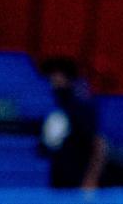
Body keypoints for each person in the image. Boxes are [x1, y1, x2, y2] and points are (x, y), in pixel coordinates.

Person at [39, 56, 111, 190]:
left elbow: (99, 145)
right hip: (60, 183)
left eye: (56, 76)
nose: (52, 82)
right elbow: (46, 147)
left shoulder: (81, 108)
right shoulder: (56, 110)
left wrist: (90, 180)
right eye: (51, 77)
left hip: (79, 184)